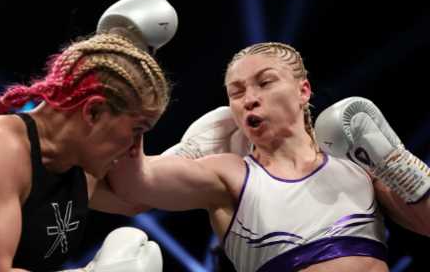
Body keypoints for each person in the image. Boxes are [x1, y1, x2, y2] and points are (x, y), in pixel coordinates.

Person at [107, 42, 430, 272]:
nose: (249, 99)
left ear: (303, 91)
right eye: (236, 92)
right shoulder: (229, 174)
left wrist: (393, 161)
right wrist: (127, 87)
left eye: (264, 82)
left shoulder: (356, 166)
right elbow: (134, 183)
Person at [0, 0, 176, 271]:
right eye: (137, 130)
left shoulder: (79, 165)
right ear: (92, 112)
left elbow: (136, 199)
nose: (134, 147)